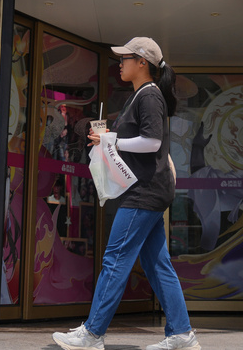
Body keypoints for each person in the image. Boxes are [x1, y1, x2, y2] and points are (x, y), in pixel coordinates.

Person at [53, 37, 200, 350]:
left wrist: (113, 140)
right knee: (158, 264)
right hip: (148, 190)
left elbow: (152, 142)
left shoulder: (149, 96)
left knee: (115, 259)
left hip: (144, 193)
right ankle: (182, 335)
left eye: (126, 58)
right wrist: (105, 137)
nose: (120, 62)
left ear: (142, 63)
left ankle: (92, 334)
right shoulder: (143, 96)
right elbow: (142, 141)